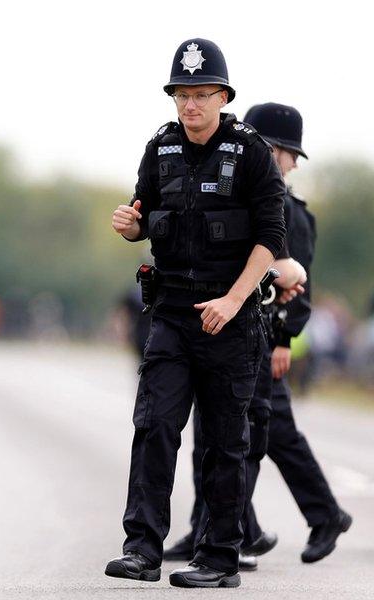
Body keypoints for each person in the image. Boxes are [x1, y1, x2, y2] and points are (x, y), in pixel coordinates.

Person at [106, 39, 285, 588]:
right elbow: (144, 214)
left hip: (231, 318)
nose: (191, 105)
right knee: (154, 424)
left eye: (202, 94)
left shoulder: (251, 152)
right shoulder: (159, 148)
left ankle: (219, 557)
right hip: (173, 311)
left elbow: (271, 239)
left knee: (224, 440)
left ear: (223, 96)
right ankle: (142, 550)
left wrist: (233, 301)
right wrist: (131, 226)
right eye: (182, 94)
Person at [166, 103, 351, 568]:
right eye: (289, 153)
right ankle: (212, 528)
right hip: (231, 332)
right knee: (216, 431)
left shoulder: (290, 211)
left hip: (263, 338)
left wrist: (285, 340)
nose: (291, 164)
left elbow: (299, 286)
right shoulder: (241, 195)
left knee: (260, 433)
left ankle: (300, 518)